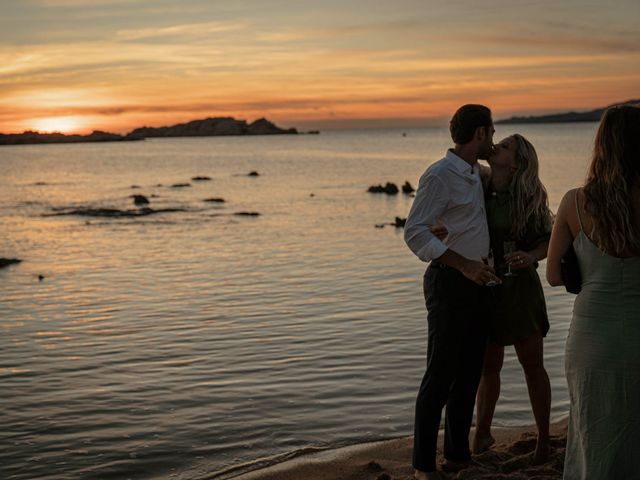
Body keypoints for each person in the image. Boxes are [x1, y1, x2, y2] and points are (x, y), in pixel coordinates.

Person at [404, 104, 500, 480]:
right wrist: (464, 264)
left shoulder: (476, 173)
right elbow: (414, 232)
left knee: (469, 373)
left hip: (479, 283)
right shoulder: (440, 175)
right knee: (440, 375)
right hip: (449, 280)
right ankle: (422, 466)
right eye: (491, 133)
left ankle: (458, 456)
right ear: (479, 132)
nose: (493, 139)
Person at [546, 105, 640, 479]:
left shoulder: (574, 202)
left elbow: (553, 275)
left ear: (601, 145)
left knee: (594, 432)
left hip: (592, 338)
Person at [470, 134, 553, 464]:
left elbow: (549, 239)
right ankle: (481, 435)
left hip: (520, 290)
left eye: (503, 146)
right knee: (488, 368)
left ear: (516, 162)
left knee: (532, 366)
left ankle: (544, 440)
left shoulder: (530, 195)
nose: (496, 147)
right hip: (487, 287)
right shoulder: (478, 186)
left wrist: (531, 256)